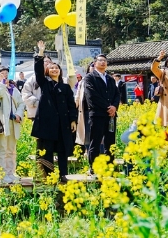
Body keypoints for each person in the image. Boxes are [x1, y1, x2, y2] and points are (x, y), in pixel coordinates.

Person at [31, 41, 77, 183]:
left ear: (60, 71)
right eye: (51, 69)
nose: (54, 70)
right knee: (48, 150)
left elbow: (71, 105)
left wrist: (73, 120)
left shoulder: (66, 87)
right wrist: (41, 52)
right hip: (48, 124)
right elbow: (38, 70)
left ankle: (63, 174)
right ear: (48, 72)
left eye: (56, 68)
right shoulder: (45, 84)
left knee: (63, 151)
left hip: (63, 124)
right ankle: (49, 176)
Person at [83, 54, 120, 174]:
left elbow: (117, 94)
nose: (103, 63)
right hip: (97, 114)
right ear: (95, 63)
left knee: (110, 142)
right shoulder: (90, 77)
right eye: (100, 61)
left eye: (105, 61)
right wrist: (107, 107)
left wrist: (114, 107)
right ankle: (93, 167)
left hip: (111, 115)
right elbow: (92, 96)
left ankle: (110, 166)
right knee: (96, 141)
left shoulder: (110, 78)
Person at [0, 65, 24, 184]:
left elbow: (21, 103)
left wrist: (19, 114)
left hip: (13, 122)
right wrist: (2, 84)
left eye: (6, 73)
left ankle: (10, 172)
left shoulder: (14, 89)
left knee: (11, 149)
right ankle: (1, 174)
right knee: (1, 149)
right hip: (1, 122)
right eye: (2, 74)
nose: (5, 76)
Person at [21, 55, 52, 120]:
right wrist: (38, 103)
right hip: (36, 114)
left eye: (50, 62)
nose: (48, 63)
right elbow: (25, 94)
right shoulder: (31, 80)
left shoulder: (53, 78)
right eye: (46, 61)